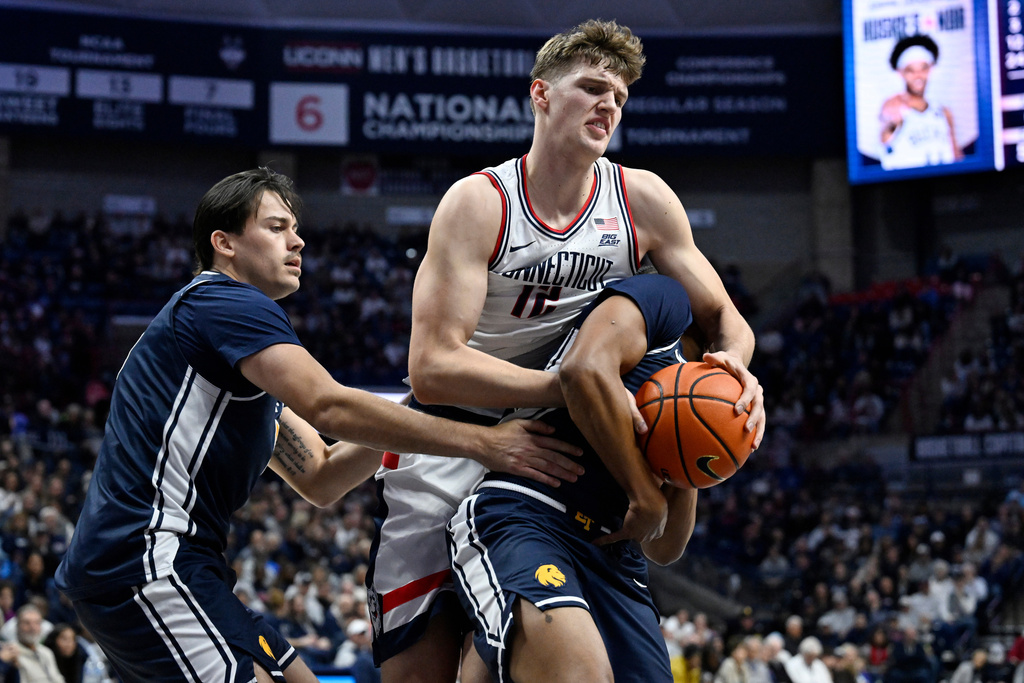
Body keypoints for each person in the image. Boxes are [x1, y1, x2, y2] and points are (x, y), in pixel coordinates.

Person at [52, 168, 582, 683]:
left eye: (296, 229)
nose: (298, 242)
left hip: (182, 566)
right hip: (144, 558)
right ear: (225, 243)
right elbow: (330, 406)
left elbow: (323, 476)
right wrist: (486, 443)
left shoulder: (232, 369)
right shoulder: (222, 300)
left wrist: (431, 400)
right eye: (277, 228)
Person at [367, 18, 764, 683]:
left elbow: (724, 318)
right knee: (420, 672)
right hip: (456, 437)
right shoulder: (479, 201)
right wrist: (576, 383)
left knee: (539, 648)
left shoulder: (641, 199)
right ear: (541, 96)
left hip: (558, 453)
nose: (608, 103)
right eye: (591, 87)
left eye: (619, 96)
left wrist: (733, 368)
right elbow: (431, 369)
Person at [448, 273, 701, 682]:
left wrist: (688, 467)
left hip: (614, 550)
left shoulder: (712, 392)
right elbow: (582, 370)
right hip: (532, 510)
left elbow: (665, 548)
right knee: (579, 673)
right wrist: (645, 493)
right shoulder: (661, 299)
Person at [879, 34, 963, 170]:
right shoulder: (894, 107)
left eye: (923, 68)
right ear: (901, 73)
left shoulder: (943, 112)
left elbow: (956, 155)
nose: (918, 76)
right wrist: (893, 122)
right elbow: (885, 137)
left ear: (931, 69)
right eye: (911, 70)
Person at [11, 604, 64, 683]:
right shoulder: (11, 654)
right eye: (27, 623)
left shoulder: (47, 652)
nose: (33, 627)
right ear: (18, 625)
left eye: (37, 623)